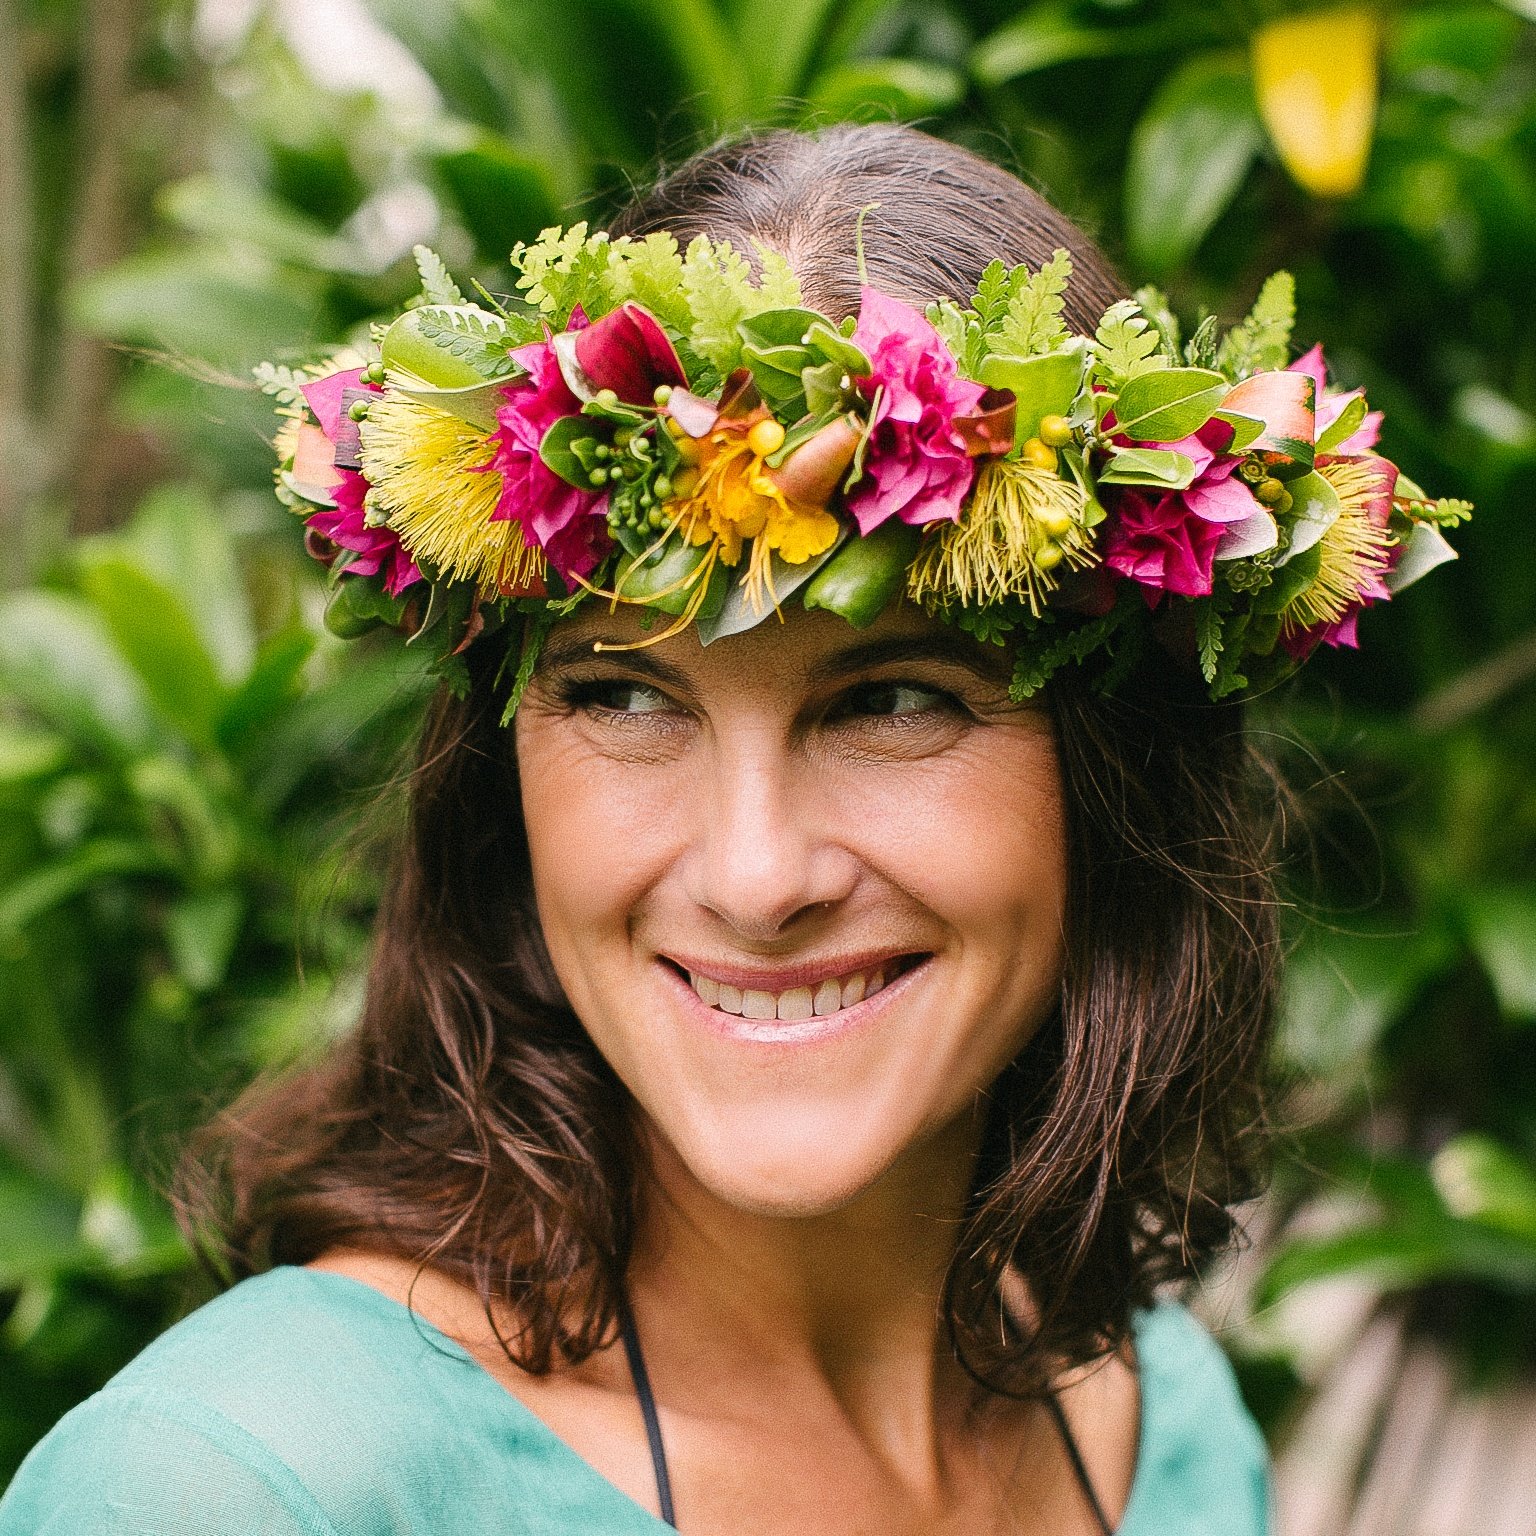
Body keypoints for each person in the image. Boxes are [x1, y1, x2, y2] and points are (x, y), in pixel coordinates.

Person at [0, 120, 1466, 1534]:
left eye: (892, 699)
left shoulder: (1160, 1424)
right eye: (626, 698)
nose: (756, 877)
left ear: (1118, 771)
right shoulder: (247, 1486)